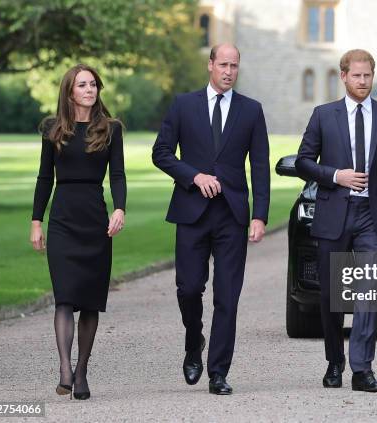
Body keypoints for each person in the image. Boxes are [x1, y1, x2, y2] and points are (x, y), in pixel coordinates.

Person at [152, 43, 270, 395]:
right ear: (210, 65)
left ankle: (218, 372)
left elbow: (260, 167)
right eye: (223, 64)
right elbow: (161, 153)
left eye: (234, 65)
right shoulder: (183, 105)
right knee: (189, 288)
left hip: (231, 215)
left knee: (227, 297)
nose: (229, 71)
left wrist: (260, 215)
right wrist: (193, 176)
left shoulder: (251, 110)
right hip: (191, 211)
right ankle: (193, 340)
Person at [295, 49, 377, 392]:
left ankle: (362, 369)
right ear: (343, 76)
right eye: (356, 75)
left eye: (367, 76)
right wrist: (335, 175)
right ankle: (335, 360)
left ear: (373, 76)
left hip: (371, 218)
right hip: (334, 213)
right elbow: (303, 162)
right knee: (332, 297)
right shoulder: (323, 115)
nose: (362, 81)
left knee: (368, 291)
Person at [30, 64, 126, 400]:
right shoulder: (52, 129)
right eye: (82, 85)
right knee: (65, 297)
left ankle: (82, 370)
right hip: (62, 220)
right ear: (70, 91)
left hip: (94, 220)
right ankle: (65, 369)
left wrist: (119, 208)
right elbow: (45, 178)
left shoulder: (111, 129)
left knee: (89, 301)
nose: (89, 90)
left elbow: (118, 175)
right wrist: (36, 221)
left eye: (93, 84)